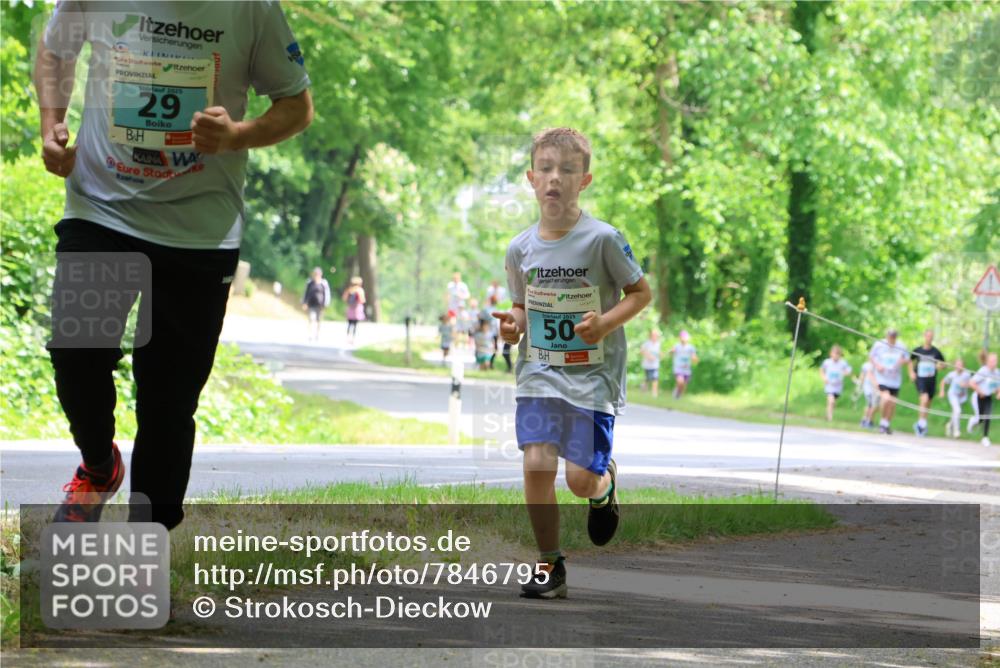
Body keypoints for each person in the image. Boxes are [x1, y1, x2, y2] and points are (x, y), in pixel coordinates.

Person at [37, 1, 313, 528]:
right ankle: (98, 468)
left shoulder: (252, 8)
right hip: (101, 207)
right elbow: (56, 50)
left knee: (167, 401)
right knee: (76, 352)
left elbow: (296, 105)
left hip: (198, 231)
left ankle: (146, 543)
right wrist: (53, 124)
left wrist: (238, 135)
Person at [492, 127, 651, 599]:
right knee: (537, 462)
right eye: (545, 169)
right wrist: (513, 324)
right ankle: (550, 564)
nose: (554, 178)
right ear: (531, 178)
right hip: (539, 372)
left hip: (592, 377)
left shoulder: (603, 239)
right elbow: (522, 305)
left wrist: (603, 324)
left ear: (584, 180)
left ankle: (603, 485)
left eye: (567, 170)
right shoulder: (519, 248)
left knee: (579, 480)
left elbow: (641, 293)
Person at [869, 328, 908, 435]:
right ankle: (882, 422)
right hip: (882, 378)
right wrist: (877, 366)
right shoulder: (879, 344)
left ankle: (885, 424)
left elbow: (907, 359)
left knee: (892, 403)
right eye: (890, 336)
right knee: (886, 399)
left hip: (895, 380)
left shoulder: (901, 346)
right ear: (887, 336)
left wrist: (901, 362)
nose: (892, 338)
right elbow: (871, 357)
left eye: (894, 336)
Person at [908, 329, 945, 437]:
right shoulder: (918, 350)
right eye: (928, 336)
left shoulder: (935, 352)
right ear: (924, 336)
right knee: (923, 398)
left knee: (928, 402)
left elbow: (943, 363)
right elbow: (910, 360)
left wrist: (940, 366)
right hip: (920, 379)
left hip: (931, 380)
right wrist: (911, 372)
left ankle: (921, 424)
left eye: (931, 336)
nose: (929, 338)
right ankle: (921, 424)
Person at [969, 352, 1000, 447]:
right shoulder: (983, 371)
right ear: (987, 362)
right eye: (992, 361)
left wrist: (998, 392)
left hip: (988, 397)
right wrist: (980, 391)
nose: (993, 363)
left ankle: (985, 437)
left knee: (988, 415)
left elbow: (998, 386)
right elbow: (971, 382)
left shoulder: (997, 372)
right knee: (980, 419)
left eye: (995, 361)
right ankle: (973, 421)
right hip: (978, 396)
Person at [940, 359, 971, 439]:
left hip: (962, 396)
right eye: (957, 365)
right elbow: (943, 382)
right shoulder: (951, 374)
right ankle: (956, 431)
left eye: (960, 365)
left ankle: (949, 425)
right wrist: (942, 391)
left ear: (963, 366)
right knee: (958, 410)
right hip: (952, 394)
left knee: (956, 412)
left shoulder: (967, 374)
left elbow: (971, 383)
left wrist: (965, 385)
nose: (958, 367)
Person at [820, 345, 852, 422]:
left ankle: (828, 413)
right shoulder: (827, 362)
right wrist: (824, 378)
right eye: (834, 353)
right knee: (831, 400)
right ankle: (829, 418)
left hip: (838, 386)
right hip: (829, 385)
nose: (836, 356)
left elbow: (849, 370)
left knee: (832, 402)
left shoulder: (843, 363)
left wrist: (845, 372)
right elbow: (821, 370)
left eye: (838, 354)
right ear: (831, 354)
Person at [301, 267, 331, 342]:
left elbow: (327, 294)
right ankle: (310, 334)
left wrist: (326, 303)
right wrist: (304, 302)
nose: (316, 275)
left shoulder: (323, 283)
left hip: (320, 305)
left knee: (318, 320)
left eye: (318, 274)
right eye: (315, 274)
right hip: (311, 304)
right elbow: (306, 293)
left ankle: (317, 334)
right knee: (311, 319)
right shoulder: (310, 283)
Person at [670, 330, 698, 399]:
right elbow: (670, 352)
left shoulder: (691, 347)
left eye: (685, 337)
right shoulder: (676, 346)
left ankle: (678, 395)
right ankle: (677, 393)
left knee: (683, 385)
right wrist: (671, 351)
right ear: (679, 338)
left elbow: (694, 357)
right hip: (678, 367)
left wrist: (694, 358)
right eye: (682, 337)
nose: (683, 339)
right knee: (680, 381)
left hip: (687, 369)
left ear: (688, 338)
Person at [857, 359, 880, 428]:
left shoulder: (880, 364)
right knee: (870, 404)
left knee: (876, 406)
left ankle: (869, 420)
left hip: (878, 389)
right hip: (869, 388)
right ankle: (865, 420)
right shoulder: (866, 365)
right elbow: (862, 375)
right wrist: (860, 385)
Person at [343, 276, 366, 345]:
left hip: (350, 308)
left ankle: (347, 337)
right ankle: (352, 339)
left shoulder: (349, 290)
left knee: (349, 324)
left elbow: (344, 298)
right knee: (355, 325)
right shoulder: (360, 290)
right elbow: (362, 300)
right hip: (357, 309)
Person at [640, 330, 662, 398]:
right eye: (653, 335)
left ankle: (654, 392)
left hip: (655, 365)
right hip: (647, 365)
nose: (655, 337)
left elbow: (659, 352)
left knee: (655, 378)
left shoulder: (658, 344)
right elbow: (642, 351)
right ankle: (643, 387)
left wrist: (660, 355)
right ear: (650, 336)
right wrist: (648, 356)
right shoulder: (647, 343)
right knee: (648, 378)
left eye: (656, 336)